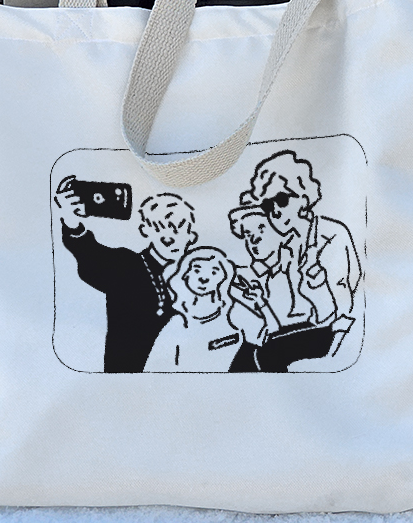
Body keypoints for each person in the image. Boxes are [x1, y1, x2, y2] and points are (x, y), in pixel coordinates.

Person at [227, 150, 361, 372]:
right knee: (247, 354)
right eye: (268, 205)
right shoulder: (288, 244)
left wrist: (317, 284)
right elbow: (257, 272)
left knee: (267, 353)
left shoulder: (330, 234)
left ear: (303, 196)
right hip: (304, 326)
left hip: (332, 326)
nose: (275, 211)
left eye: (282, 200)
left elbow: (342, 300)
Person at [55, 183, 197, 373]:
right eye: (160, 228)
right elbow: (90, 254)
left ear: (191, 237)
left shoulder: (186, 278)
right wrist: (72, 223)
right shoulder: (127, 264)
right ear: (146, 230)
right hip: (123, 377)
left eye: (178, 229)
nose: (169, 237)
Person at [144, 247, 272, 372]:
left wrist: (260, 302)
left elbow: (271, 340)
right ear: (185, 274)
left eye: (214, 272)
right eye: (197, 270)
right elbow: (153, 370)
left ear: (223, 278)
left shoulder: (232, 312)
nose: (204, 278)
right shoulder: (177, 322)